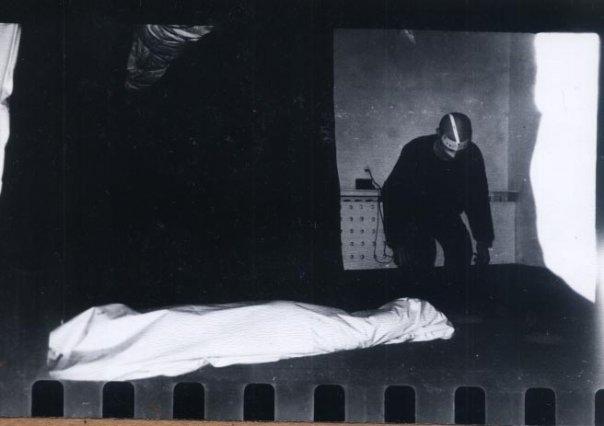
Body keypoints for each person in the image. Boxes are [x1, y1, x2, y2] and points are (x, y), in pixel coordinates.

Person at [381, 112, 494, 285]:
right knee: (421, 257)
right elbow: (393, 195)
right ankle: (418, 296)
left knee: (462, 251)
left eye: (459, 149)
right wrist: (397, 243)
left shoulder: (472, 155)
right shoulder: (415, 150)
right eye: (449, 148)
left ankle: (453, 296)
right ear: (438, 133)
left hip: (446, 214)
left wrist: (483, 241)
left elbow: (478, 200)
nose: (454, 156)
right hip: (413, 215)